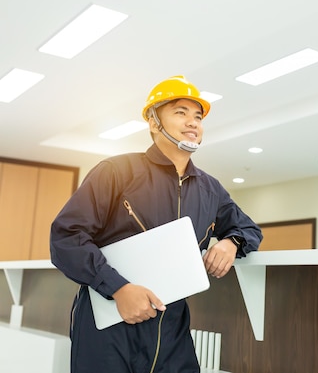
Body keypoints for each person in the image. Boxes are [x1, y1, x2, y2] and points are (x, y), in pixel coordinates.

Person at [50, 75, 263, 373]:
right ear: (153, 122)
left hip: (173, 329)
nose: (193, 122)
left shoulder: (210, 189)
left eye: (198, 116)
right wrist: (119, 288)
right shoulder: (115, 171)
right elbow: (66, 237)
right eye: (181, 112)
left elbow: (249, 229)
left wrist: (231, 242)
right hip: (111, 323)